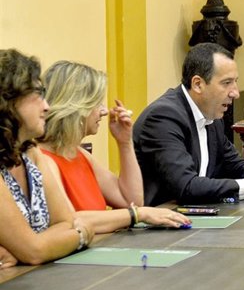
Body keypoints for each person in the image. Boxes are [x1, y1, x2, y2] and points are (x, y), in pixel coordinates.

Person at [133, 43, 244, 206]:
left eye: (235, 82)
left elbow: (234, 165)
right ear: (198, 84)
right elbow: (186, 186)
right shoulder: (163, 117)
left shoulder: (211, 115)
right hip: (161, 216)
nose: (235, 93)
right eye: (226, 83)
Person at [39, 61, 191, 232]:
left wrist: (124, 143)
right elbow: (70, 221)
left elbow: (131, 201)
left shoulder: (79, 153)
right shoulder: (44, 159)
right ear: (77, 107)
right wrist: (138, 214)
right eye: (97, 103)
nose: (104, 111)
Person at [0, 49, 94, 267]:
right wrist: (81, 235)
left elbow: (66, 222)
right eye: (38, 93)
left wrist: (38, 246)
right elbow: (34, 251)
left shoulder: (31, 154)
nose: (47, 107)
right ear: (9, 99)